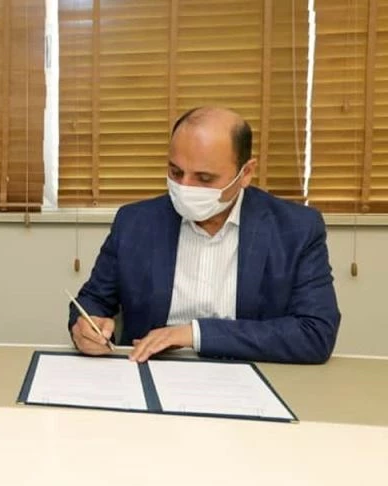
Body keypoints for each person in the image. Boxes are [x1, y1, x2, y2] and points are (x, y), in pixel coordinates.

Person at [69, 107, 340, 364]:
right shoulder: (135, 222)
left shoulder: (296, 228)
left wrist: (195, 333)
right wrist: (86, 327)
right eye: (176, 172)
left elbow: (315, 333)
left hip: (249, 373)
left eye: (204, 178)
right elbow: (93, 301)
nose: (185, 187)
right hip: (149, 368)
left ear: (246, 173)